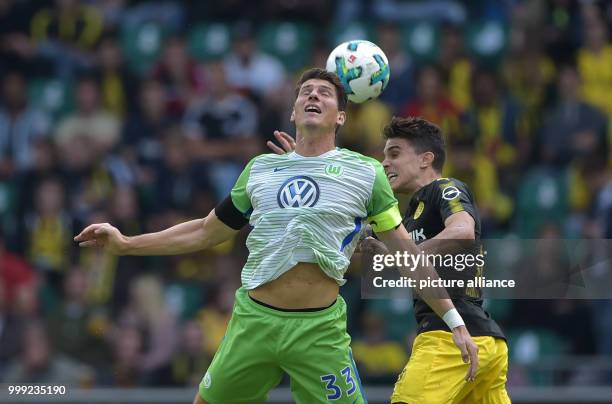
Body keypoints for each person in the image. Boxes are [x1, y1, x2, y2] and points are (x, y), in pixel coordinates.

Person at [75, 68, 478, 404]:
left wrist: (454, 320)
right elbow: (204, 230)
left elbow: (407, 254)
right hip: (254, 323)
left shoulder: (366, 173)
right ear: (293, 110)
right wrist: (126, 244)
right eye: (305, 92)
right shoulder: (261, 169)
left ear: (341, 116)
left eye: (325, 93)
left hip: (318, 331)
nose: (313, 96)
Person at [270, 116, 510, 403]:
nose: (384, 163)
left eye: (394, 154)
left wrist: (407, 254)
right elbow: (344, 228)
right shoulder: (405, 219)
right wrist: (303, 170)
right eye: (384, 155)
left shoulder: (445, 188)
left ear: (425, 159)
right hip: (482, 341)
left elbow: (463, 231)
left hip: (448, 339)